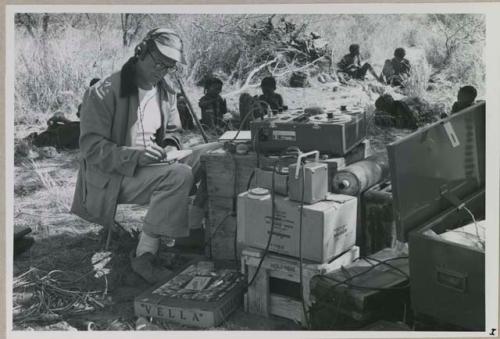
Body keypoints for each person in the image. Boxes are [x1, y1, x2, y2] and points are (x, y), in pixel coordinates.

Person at [71, 28, 220, 284]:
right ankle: (145, 255)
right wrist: (135, 156)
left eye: (169, 65)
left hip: (153, 166)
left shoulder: (165, 91)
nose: (162, 70)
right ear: (141, 52)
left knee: (215, 154)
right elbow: (91, 148)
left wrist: (171, 147)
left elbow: (173, 131)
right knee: (179, 175)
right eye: (158, 61)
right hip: (113, 177)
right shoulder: (105, 91)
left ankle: (192, 231)